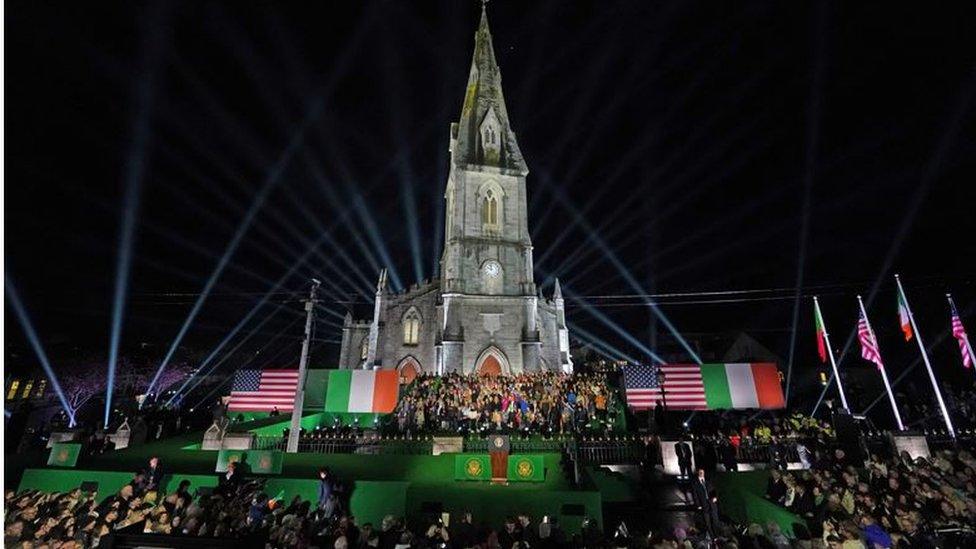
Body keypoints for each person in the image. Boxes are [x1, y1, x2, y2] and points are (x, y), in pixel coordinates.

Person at [691, 468, 720, 536]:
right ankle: (711, 536)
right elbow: (695, 495)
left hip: (712, 503)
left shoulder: (708, 481)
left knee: (715, 520)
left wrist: (715, 497)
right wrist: (698, 505)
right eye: (700, 472)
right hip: (704, 504)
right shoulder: (695, 483)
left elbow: (714, 490)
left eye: (702, 472)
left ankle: (717, 535)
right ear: (698, 473)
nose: (701, 473)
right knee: (707, 522)